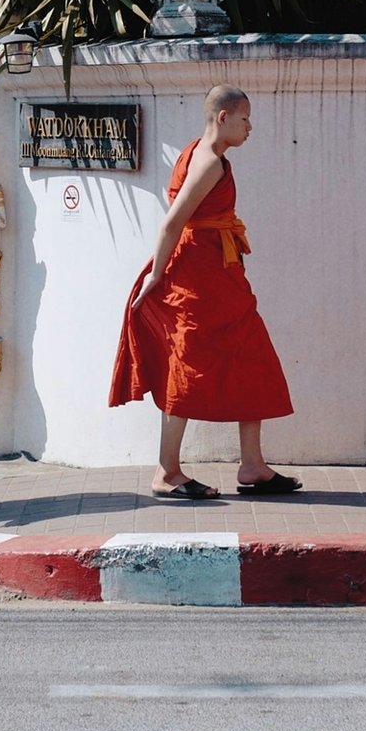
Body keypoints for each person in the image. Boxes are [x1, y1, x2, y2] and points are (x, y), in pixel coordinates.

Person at [110, 86, 299, 499]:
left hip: (219, 277)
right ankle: (167, 472)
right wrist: (155, 275)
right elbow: (172, 222)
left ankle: (252, 465)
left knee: (252, 356)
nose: (250, 127)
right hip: (198, 281)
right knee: (189, 365)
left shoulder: (194, 150)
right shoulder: (211, 162)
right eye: (245, 119)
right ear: (223, 117)